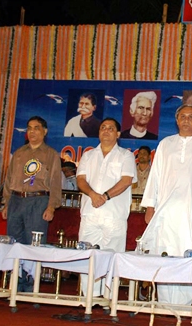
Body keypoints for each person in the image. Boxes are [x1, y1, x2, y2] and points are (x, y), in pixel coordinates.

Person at [140, 104, 192, 305]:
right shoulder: (166, 144)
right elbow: (155, 176)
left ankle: (187, 303)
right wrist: (150, 205)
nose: (186, 120)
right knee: (166, 252)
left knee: (189, 251)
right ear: (177, 120)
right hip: (167, 211)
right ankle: (165, 301)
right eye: (182, 116)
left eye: (190, 116)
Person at [76, 118, 136, 296]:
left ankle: (109, 298)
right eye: (103, 128)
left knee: (112, 257)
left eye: (111, 128)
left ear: (118, 134)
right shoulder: (88, 155)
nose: (106, 131)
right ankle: (89, 298)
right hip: (90, 213)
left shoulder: (126, 155)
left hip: (114, 215)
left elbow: (126, 181)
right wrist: (93, 195)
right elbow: (80, 180)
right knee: (88, 256)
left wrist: (105, 196)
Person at [2, 116, 62, 242]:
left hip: (38, 202)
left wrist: (51, 207)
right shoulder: (19, 153)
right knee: (12, 241)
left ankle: (34, 263)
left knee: (35, 243)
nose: (32, 132)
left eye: (36, 128)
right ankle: (15, 263)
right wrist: (7, 203)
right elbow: (9, 180)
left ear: (44, 132)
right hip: (16, 201)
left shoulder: (51, 154)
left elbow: (55, 183)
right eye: (29, 128)